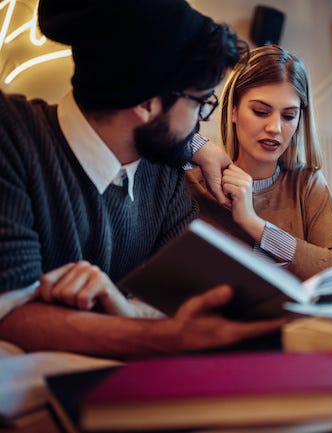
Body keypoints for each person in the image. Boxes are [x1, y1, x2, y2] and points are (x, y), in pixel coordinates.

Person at [0, 0, 285, 359]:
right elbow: (10, 314)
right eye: (200, 104)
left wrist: (123, 308)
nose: (200, 124)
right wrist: (167, 337)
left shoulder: (160, 169)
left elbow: (182, 297)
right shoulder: (13, 138)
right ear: (146, 104)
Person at [187, 45, 332, 281]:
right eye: (261, 111)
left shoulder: (306, 184)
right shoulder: (193, 178)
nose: (275, 128)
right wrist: (198, 145)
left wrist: (253, 223)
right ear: (233, 110)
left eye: (288, 116)